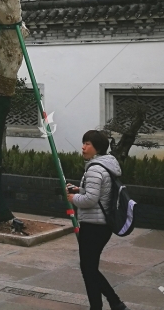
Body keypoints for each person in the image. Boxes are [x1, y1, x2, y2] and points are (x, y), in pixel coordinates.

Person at [67, 130, 129, 310]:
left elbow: (90, 200)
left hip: (94, 226)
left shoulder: (95, 169)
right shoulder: (107, 165)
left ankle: (109, 303)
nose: (83, 147)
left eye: (88, 144)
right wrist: (79, 190)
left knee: (88, 269)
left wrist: (73, 199)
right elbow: (99, 194)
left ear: (98, 148)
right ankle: (111, 303)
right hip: (102, 225)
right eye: (83, 142)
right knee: (89, 268)